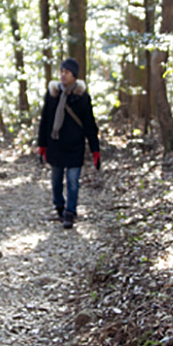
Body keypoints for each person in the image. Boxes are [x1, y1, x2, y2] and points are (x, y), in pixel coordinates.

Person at [37, 58, 100, 229]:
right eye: (62, 72)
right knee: (56, 179)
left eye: (67, 72)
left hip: (75, 146)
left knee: (73, 181)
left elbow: (89, 124)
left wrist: (95, 149)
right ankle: (59, 205)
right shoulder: (52, 95)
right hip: (55, 145)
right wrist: (42, 144)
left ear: (74, 76)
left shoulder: (82, 97)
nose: (63, 75)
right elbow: (45, 121)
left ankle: (70, 212)